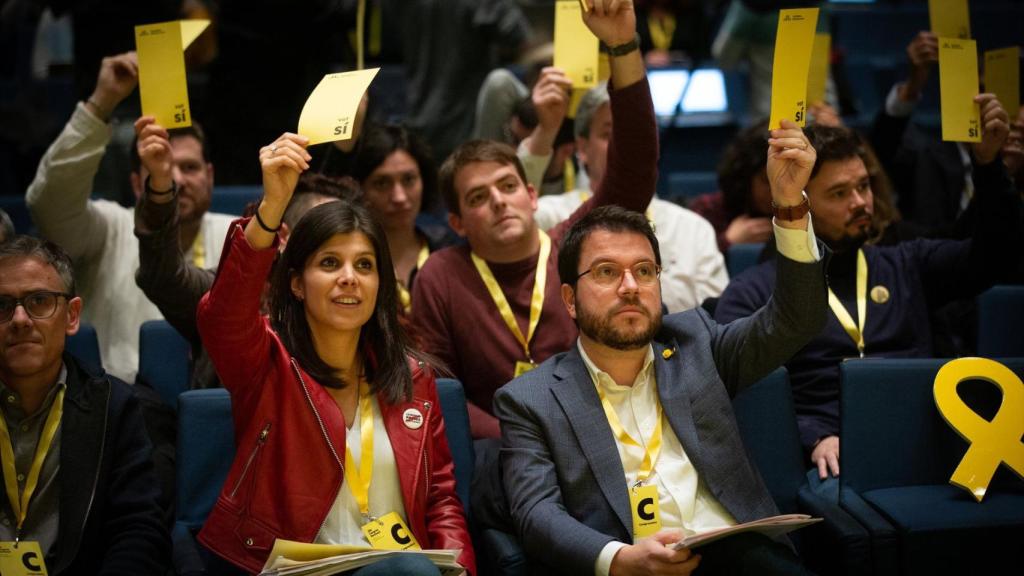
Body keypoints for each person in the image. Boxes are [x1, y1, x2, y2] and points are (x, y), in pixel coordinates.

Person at [493, 116, 827, 574]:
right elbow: (536, 514)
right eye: (607, 272)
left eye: (644, 271)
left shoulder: (697, 344)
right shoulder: (531, 400)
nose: (631, 286)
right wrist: (619, 559)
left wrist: (789, 205)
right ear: (569, 299)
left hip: (740, 555)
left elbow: (796, 319)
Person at [195, 133, 475, 574]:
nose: (349, 277)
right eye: (329, 263)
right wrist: (272, 207)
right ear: (296, 283)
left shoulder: (413, 376)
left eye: (364, 265)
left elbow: (440, 500)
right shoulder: (265, 363)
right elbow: (222, 315)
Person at [715, 101, 1021, 488]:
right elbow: (742, 393)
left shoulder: (908, 264)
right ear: (802, 203)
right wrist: (812, 436)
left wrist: (989, 167)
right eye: (839, 193)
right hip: (829, 459)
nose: (861, 202)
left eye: (863, 186)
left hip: (927, 443)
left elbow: (999, 257)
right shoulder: (753, 291)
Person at [412, 0, 658, 439]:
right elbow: (437, 389)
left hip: (599, 432)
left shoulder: (574, 242)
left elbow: (634, 169)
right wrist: (516, 440)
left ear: (530, 195)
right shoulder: (441, 275)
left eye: (507, 187)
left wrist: (623, 45)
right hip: (500, 450)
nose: (498, 202)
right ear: (458, 222)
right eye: (478, 197)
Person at [25, 51, 234, 383]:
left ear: (210, 175)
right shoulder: (108, 227)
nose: (176, 179)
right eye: (159, 167)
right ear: (137, 183)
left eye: (189, 167)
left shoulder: (241, 236)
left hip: (217, 400)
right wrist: (101, 103)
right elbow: (48, 202)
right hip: (114, 401)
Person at [0, 235, 169, 574]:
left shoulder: (114, 407)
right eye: (2, 305)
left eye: (39, 301)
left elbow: (137, 530)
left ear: (72, 316)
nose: (20, 319)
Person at [533, 81, 728, 312]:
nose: (623, 148)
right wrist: (544, 133)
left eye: (632, 138)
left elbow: (715, 316)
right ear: (582, 149)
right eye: (608, 134)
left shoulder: (692, 228)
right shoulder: (550, 216)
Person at [351, 124, 459, 313]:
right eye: (382, 183)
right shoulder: (349, 263)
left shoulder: (450, 250)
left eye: (408, 179)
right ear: (359, 188)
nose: (399, 197)